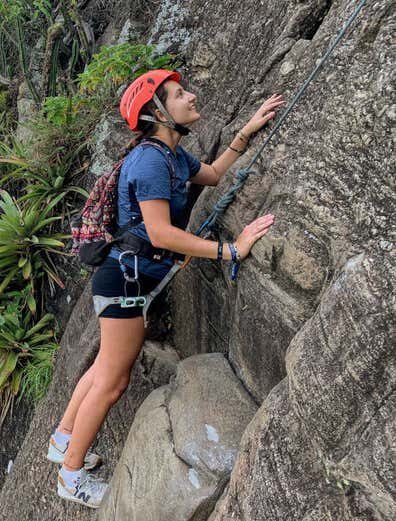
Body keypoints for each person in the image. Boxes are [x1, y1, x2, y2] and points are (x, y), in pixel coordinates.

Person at [46, 69, 285, 509]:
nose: (190, 96)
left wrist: (247, 132)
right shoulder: (151, 161)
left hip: (126, 277)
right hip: (126, 280)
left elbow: (212, 175)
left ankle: (63, 441)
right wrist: (230, 250)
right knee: (114, 380)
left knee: (103, 368)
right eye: (178, 94)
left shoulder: (172, 155)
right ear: (157, 112)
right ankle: (71, 475)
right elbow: (160, 234)